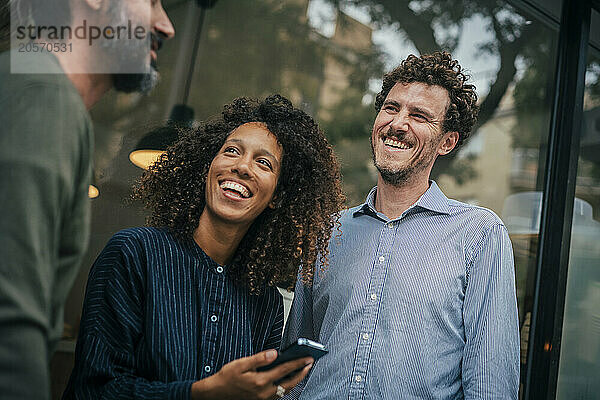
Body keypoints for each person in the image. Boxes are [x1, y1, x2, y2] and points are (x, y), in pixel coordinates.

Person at [62, 94, 346, 399]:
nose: (242, 166)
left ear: (277, 196)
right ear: (208, 167)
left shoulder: (264, 302)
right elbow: (94, 389)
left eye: (263, 163)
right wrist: (202, 393)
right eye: (232, 151)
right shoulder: (135, 254)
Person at [283, 52, 520, 399]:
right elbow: (295, 365)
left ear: (447, 141)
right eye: (391, 108)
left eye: (419, 115)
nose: (398, 124)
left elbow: (490, 383)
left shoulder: (480, 235)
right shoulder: (329, 230)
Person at [0, 0, 174, 398]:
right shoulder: (42, 98)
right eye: (151, 2)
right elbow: (9, 322)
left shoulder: (28, 86)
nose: (166, 26)